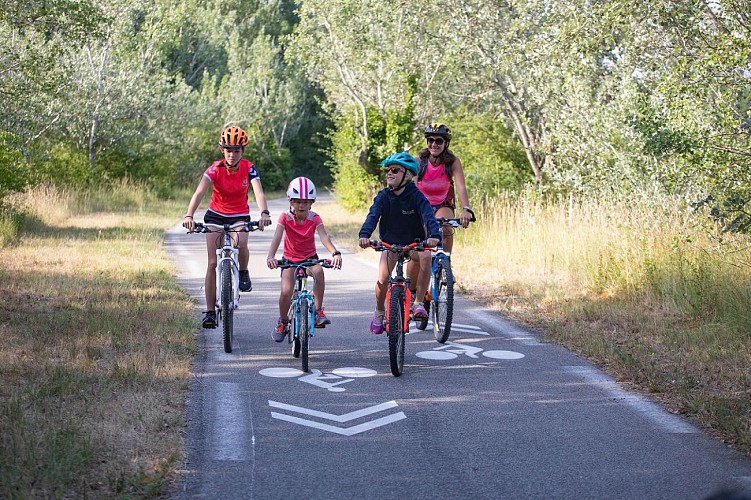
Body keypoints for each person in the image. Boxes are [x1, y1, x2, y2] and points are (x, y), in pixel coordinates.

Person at [182, 126, 272, 329]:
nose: (232, 155)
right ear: (222, 150)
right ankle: (210, 312)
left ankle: (243, 271)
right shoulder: (214, 169)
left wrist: (264, 213)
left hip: (239, 214)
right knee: (212, 262)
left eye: (237, 151)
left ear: (243, 152)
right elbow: (199, 193)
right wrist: (189, 215)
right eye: (228, 150)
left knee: (241, 242)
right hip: (215, 214)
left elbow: (258, 193)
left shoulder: (249, 168)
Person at [358, 152, 441, 335]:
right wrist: (365, 235)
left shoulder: (417, 196)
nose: (389, 173)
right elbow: (372, 216)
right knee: (382, 279)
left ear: (408, 175)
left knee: (426, 256)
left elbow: (428, 216)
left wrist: (434, 235)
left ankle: (418, 303)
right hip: (390, 244)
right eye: (387, 169)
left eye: (395, 170)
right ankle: (380, 311)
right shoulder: (383, 196)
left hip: (414, 244)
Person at [266, 177, 343, 342]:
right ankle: (283, 321)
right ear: (291, 202)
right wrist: (271, 256)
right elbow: (277, 237)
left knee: (319, 272)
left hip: (309, 259)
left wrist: (335, 253)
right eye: (297, 201)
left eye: (305, 202)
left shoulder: (315, 218)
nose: (301, 205)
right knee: (286, 291)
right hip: (289, 260)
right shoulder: (284, 218)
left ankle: (318, 310)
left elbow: (324, 237)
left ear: (312, 203)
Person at [408, 122, 473, 303]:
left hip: (442, 203)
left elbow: (460, 186)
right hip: (421, 206)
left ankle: (446, 264)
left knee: (445, 227)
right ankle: (412, 291)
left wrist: (466, 209)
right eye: (430, 140)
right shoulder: (419, 161)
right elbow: (411, 187)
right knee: (417, 252)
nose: (434, 145)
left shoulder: (452, 162)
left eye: (438, 141)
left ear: (445, 144)